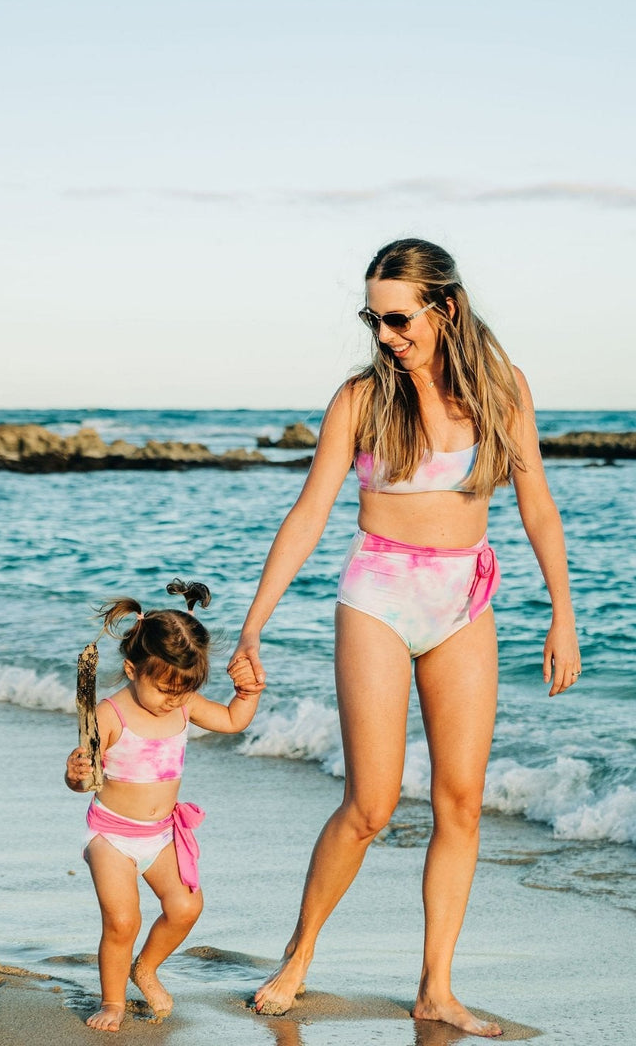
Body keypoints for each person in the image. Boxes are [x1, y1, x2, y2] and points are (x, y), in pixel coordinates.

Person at [229, 239, 581, 1037]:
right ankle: (298, 955)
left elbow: (537, 507)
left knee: (461, 804)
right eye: (373, 318)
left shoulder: (503, 389)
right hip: (379, 597)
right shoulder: (361, 398)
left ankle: (436, 989)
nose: (384, 334)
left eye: (397, 318)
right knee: (372, 804)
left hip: (464, 599)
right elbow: (310, 514)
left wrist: (563, 613)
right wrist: (255, 624)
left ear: (443, 307)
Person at [65, 578, 263, 1032]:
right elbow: (85, 776)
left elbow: (232, 721)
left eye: (182, 691)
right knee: (122, 920)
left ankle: (146, 968)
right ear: (134, 670)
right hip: (112, 836)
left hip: (161, 836)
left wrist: (247, 695)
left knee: (186, 907)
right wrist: (74, 775)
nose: (173, 700)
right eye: (165, 690)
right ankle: (112, 1002)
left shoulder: (183, 703)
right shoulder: (110, 715)